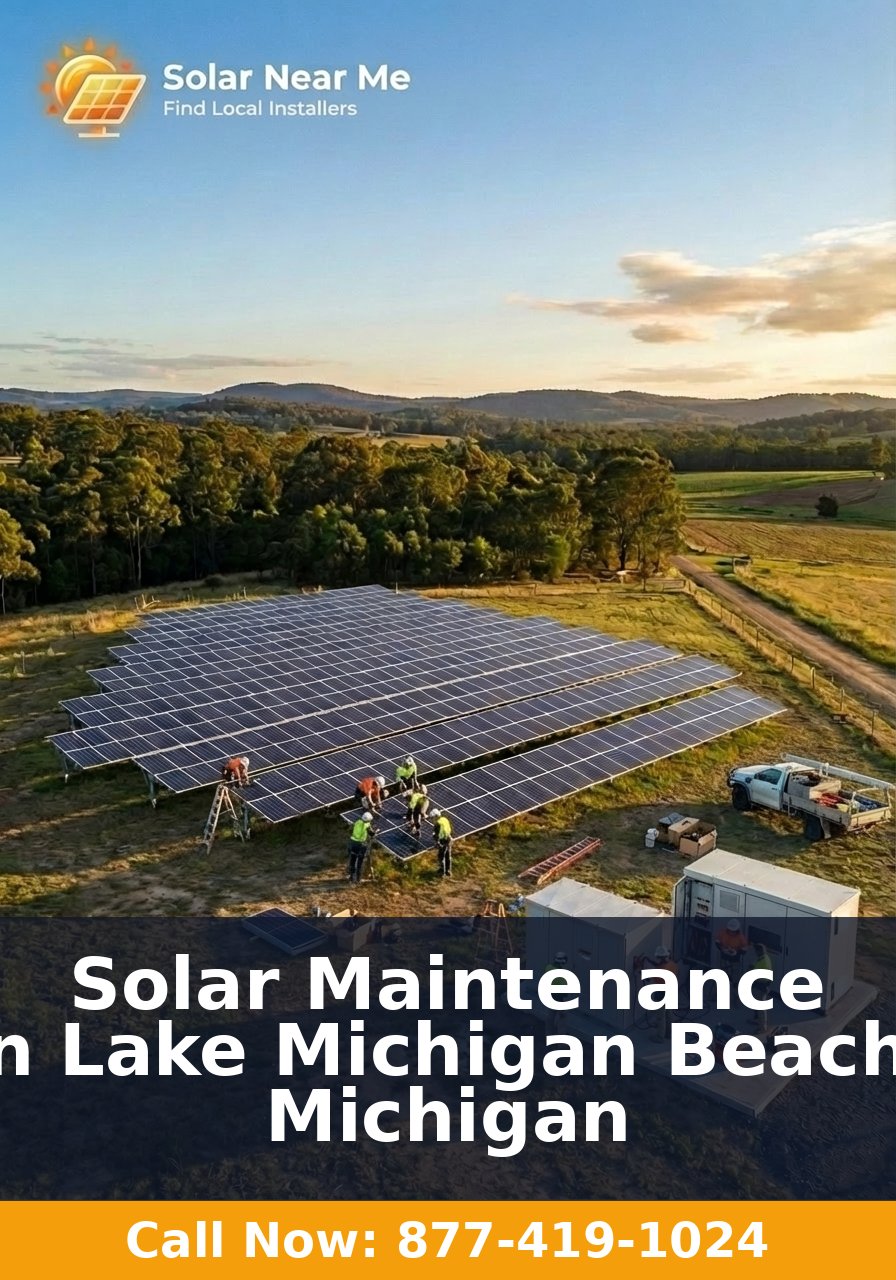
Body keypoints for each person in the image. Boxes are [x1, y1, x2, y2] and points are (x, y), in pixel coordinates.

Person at [347, 812, 374, 884]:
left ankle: (351, 877)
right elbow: (371, 833)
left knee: (352, 860)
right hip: (361, 844)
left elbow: (351, 830)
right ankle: (358, 879)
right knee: (360, 862)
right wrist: (375, 832)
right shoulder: (367, 825)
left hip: (352, 843)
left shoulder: (357, 822)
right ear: (368, 820)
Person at [430, 809, 453, 877]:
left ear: (436, 816)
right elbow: (449, 828)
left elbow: (436, 835)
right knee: (448, 856)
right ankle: (448, 871)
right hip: (449, 839)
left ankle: (442, 872)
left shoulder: (437, 824)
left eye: (432, 818)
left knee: (441, 856)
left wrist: (437, 843)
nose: (432, 819)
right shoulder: (444, 819)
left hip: (443, 841)